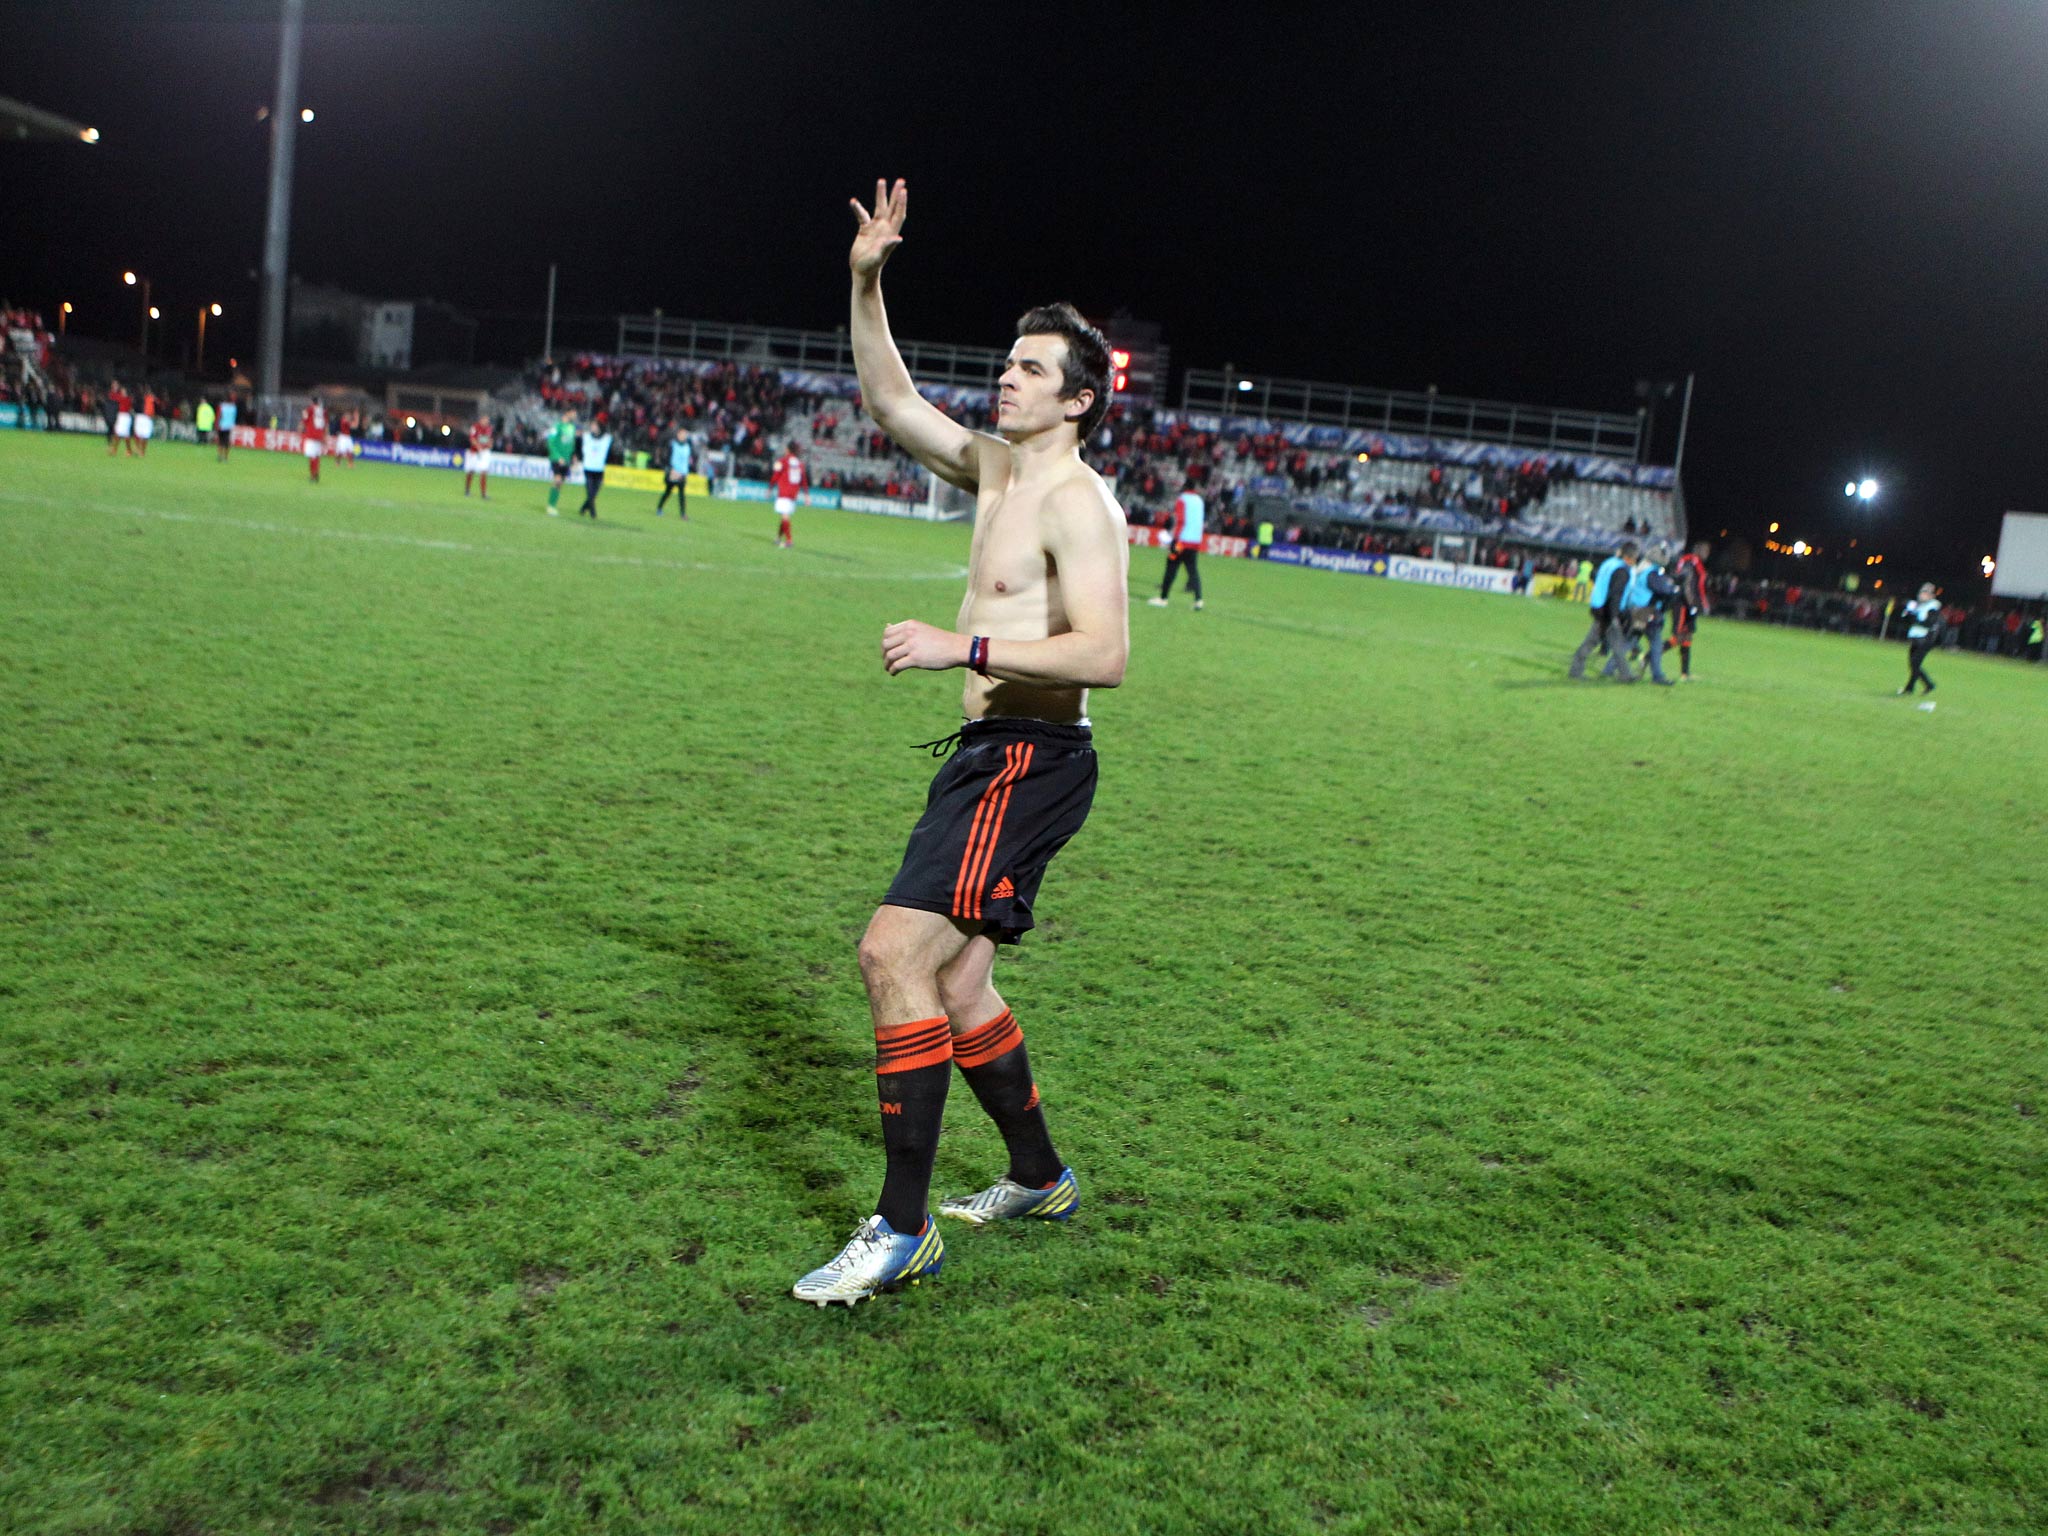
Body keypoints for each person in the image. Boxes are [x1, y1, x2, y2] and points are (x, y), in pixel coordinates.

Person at [792, 179, 1129, 1307]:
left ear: (1077, 401)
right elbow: (890, 402)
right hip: (993, 761)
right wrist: (865, 277)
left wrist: (961, 646)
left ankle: (899, 1231)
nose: (1006, 376)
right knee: (960, 982)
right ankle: (1038, 1177)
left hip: (1030, 760)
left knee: (892, 955)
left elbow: (1104, 656)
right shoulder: (993, 467)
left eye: (1031, 369)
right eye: (1009, 361)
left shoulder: (1078, 504)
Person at [1569, 540, 1637, 681]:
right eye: (1635, 558)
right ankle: (1576, 671)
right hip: (1608, 611)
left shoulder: (1609, 563)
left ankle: (1625, 674)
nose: (1635, 561)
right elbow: (1615, 595)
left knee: (1608, 642)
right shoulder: (1622, 571)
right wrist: (1614, 617)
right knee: (1599, 642)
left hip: (1598, 606)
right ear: (1629, 557)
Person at [1148, 480, 1206, 610]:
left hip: (1181, 542)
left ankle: (1163, 598)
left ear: (1184, 487)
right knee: (1192, 570)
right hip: (1195, 542)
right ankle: (1198, 600)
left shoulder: (1182, 499)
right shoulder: (1199, 501)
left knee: (1171, 565)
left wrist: (1174, 539)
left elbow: (1181, 521)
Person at [1671, 542, 1710, 681]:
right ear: (1698, 550)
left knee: (1687, 636)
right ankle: (1649, 657)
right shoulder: (1690, 562)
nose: (1707, 553)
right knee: (1680, 636)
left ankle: (1685, 673)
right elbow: (1687, 585)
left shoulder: (1695, 562)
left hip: (1688, 604)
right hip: (1683, 604)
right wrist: (1692, 604)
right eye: (1705, 550)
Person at [1898, 583, 1941, 696]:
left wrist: (1915, 617)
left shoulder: (1933, 606)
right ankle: (1917, 687)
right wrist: (1907, 614)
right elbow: (1908, 621)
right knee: (1912, 664)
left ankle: (1921, 685)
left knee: (1915, 663)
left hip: (1926, 639)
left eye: (1925, 593)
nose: (1921, 595)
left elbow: (1929, 623)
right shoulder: (1918, 605)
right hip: (1916, 638)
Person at [575, 417, 613, 517]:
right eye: (591, 426)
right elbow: (577, 444)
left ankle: (583, 508)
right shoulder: (586, 437)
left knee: (594, 493)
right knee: (590, 492)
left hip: (599, 469)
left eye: (594, 426)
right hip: (588, 468)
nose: (592, 427)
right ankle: (593, 514)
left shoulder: (606, 438)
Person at [771, 442, 807, 546]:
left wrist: (770, 488)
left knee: (785, 516)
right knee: (784, 515)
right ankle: (778, 538)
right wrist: (806, 495)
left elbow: (775, 475)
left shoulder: (782, 461)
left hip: (784, 492)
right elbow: (803, 480)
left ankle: (789, 540)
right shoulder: (800, 464)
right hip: (793, 493)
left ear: (787, 450)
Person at [655, 424, 692, 518]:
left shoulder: (688, 446)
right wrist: (671, 470)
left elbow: (687, 460)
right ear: (678, 435)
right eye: (682, 434)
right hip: (673, 472)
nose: (683, 436)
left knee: (682, 494)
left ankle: (683, 514)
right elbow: (667, 458)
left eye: (685, 435)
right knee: (668, 492)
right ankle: (659, 508)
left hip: (682, 473)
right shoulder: (673, 445)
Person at [544, 410, 576, 514]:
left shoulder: (572, 428)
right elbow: (550, 442)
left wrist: (573, 456)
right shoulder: (556, 426)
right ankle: (550, 506)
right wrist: (558, 457)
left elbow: (571, 444)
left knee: (560, 483)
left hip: (566, 460)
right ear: (567, 413)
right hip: (556, 458)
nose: (575, 415)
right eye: (573, 413)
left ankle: (553, 505)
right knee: (557, 480)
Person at [463, 415, 492, 498]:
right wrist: (477, 446)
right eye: (485, 420)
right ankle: (467, 489)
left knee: (484, 471)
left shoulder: (488, 429)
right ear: (481, 420)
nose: (486, 422)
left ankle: (484, 493)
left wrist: (489, 443)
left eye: (487, 421)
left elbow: (487, 439)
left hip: (484, 452)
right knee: (471, 471)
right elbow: (472, 439)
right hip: (474, 452)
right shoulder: (475, 427)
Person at [299, 398, 325, 483]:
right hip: (319, 436)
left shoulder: (309, 409)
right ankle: (316, 472)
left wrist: (299, 431)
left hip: (311, 435)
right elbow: (326, 424)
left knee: (312, 456)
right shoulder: (322, 411)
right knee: (317, 456)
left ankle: (312, 475)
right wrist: (325, 437)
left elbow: (304, 420)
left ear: (312, 402)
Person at [108, 382, 133, 456]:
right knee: (118, 433)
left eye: (123, 391)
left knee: (125, 434)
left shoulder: (127, 399)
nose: (122, 392)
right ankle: (115, 450)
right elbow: (111, 396)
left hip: (125, 417)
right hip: (121, 416)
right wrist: (114, 389)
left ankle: (128, 450)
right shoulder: (121, 397)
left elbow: (113, 397)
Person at [215, 394, 238, 462]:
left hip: (221, 426)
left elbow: (219, 416)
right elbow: (234, 417)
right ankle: (226, 457)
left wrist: (216, 425)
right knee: (226, 442)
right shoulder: (233, 407)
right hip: (229, 426)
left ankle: (220, 456)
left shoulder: (222, 406)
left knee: (221, 442)